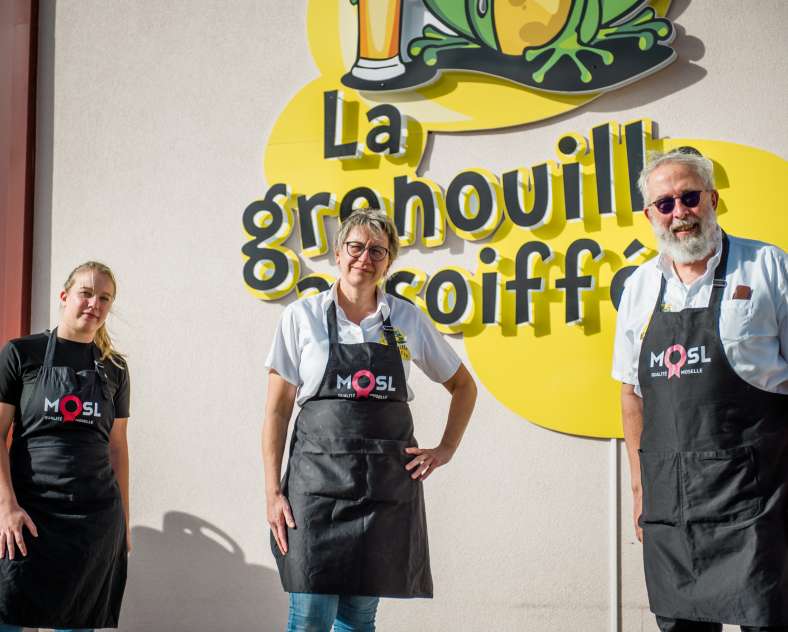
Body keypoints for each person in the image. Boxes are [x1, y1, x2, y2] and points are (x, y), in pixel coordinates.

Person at [263, 208, 477, 632]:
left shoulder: (406, 319)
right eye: (356, 247)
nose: (365, 257)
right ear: (338, 255)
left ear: (389, 261)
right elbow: (277, 411)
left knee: (358, 621)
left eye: (377, 250)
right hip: (314, 491)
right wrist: (273, 492)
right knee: (310, 617)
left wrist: (445, 449)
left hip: (381, 490)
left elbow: (463, 386)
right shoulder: (300, 317)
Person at [612, 149, 787, 632]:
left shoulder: (767, 266)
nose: (679, 212)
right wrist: (638, 485)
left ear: (712, 199)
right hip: (672, 507)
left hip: (757, 500)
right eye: (664, 204)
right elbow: (632, 392)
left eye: (689, 197)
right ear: (649, 215)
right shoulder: (639, 287)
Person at [0, 261, 131, 631]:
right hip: (25, 519)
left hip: (93, 526)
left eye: (104, 298)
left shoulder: (115, 368)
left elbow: (118, 448)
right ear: (64, 296)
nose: (95, 303)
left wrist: (125, 525)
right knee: (8, 618)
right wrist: (6, 507)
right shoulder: (21, 354)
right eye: (86, 293)